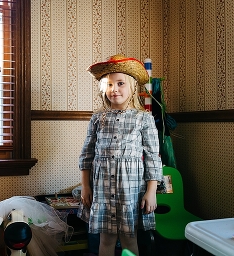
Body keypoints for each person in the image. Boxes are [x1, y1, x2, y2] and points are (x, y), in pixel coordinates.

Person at [78, 53, 163, 256]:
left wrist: (151, 191)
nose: (114, 89)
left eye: (120, 83)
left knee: (129, 238)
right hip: (102, 188)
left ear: (132, 86)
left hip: (130, 190)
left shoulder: (144, 119)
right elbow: (87, 154)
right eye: (109, 84)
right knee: (106, 239)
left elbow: (153, 156)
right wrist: (85, 185)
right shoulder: (98, 118)